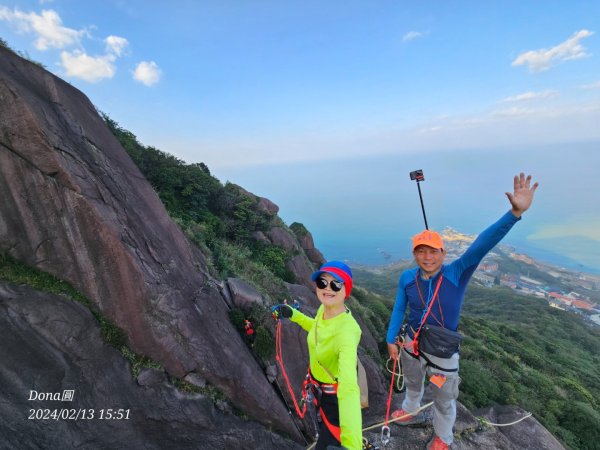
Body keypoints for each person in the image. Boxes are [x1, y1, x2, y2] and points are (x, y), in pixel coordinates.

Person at [386, 173, 538, 450]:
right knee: (412, 382)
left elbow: (482, 244)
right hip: (410, 343)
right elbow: (399, 307)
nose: (427, 257)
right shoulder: (407, 278)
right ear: (414, 254)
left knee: (444, 396)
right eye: (421, 251)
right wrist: (390, 338)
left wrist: (514, 213)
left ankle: (443, 437)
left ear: (443, 254)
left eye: (433, 252)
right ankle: (410, 409)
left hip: (442, 351)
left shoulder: (456, 273)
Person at [277, 261, 362, 450]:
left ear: (346, 290)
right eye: (322, 283)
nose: (327, 288)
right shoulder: (324, 310)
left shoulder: (347, 332)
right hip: (319, 394)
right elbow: (317, 330)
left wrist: (352, 446)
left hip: (335, 403)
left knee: (326, 443)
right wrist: (293, 314)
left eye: (336, 284)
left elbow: (349, 388)